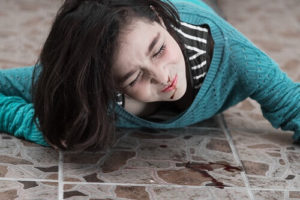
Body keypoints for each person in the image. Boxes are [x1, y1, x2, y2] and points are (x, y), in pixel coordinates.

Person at [0, 0, 299, 151]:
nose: (161, 76)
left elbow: (291, 104)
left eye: (158, 50)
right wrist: (37, 123)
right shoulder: (85, 82)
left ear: (159, 18)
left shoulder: (232, 52)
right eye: (133, 78)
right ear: (104, 85)